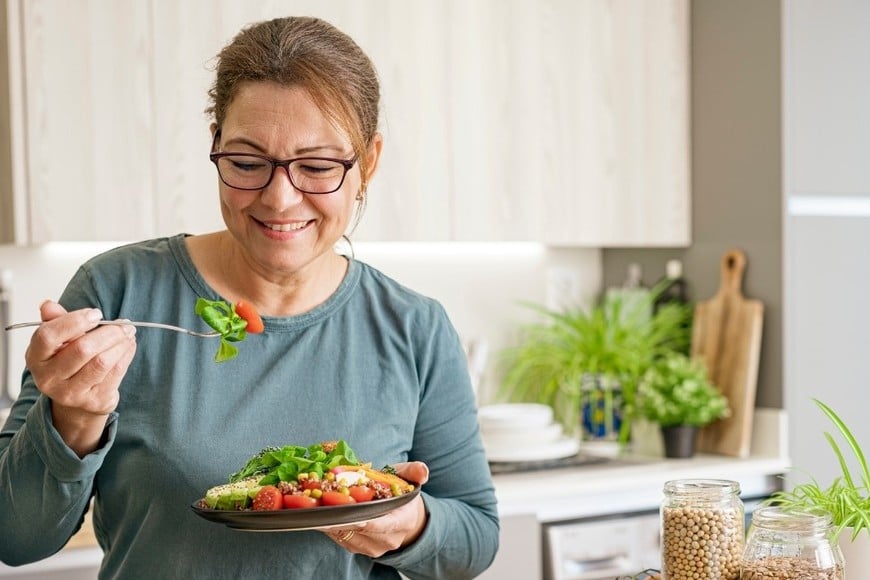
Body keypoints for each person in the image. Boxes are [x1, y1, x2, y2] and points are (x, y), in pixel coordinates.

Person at [0, 16, 499, 579]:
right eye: (246, 163)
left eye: (317, 166)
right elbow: (14, 538)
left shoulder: (415, 327)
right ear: (215, 146)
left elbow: (476, 539)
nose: (280, 198)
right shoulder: (118, 291)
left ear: (370, 162)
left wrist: (409, 525)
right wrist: (72, 417)